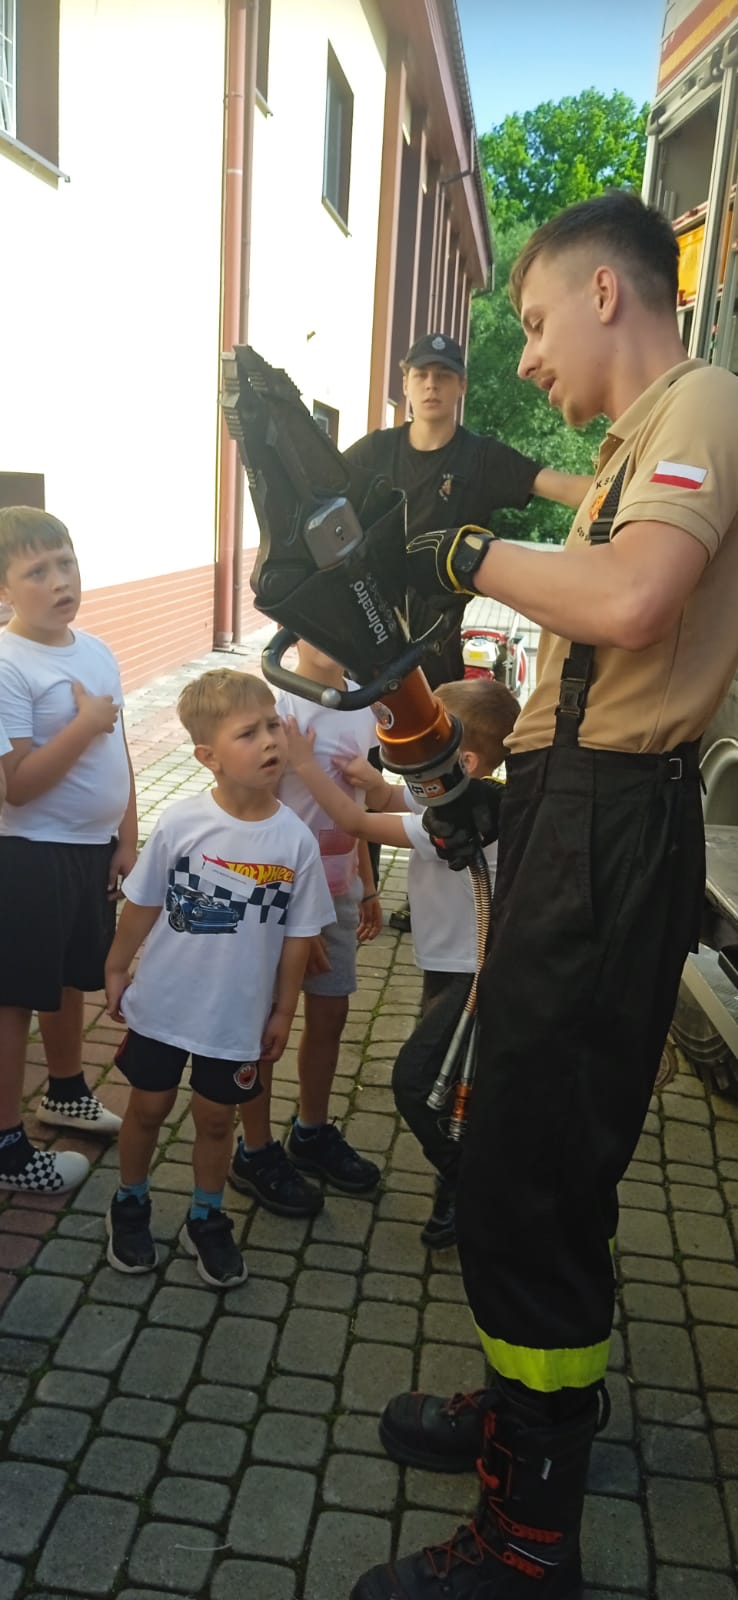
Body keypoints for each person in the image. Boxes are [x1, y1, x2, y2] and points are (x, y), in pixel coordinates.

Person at [349, 190, 738, 1600]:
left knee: (530, 1172)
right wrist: (492, 749)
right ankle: (529, 1412)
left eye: (529, 321)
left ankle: (529, 1540)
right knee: (530, 1149)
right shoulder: (638, 441)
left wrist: (454, 550)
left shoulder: (704, 406)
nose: (521, 358)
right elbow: (603, 644)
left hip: (614, 831)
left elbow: (632, 603)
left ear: (605, 293)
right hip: (580, 811)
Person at [344, 329, 591, 925]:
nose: (431, 385)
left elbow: (567, 488)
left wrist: (642, 494)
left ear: (460, 386)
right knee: (367, 764)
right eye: (421, 374)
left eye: (443, 375)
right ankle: (360, 892)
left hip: (437, 647)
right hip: (369, 640)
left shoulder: (480, 458)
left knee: (444, 775)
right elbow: (317, 502)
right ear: (405, 384)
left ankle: (439, 898)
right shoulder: (372, 453)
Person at [104, 669, 334, 1289]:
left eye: (272, 726)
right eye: (248, 733)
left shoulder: (295, 840)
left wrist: (284, 1010)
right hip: (164, 1006)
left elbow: (298, 937)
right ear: (208, 757)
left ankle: (206, 1217)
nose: (270, 741)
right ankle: (130, 1201)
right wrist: (117, 965)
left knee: (215, 1120)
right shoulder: (181, 823)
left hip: (237, 1017)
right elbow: (144, 902)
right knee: (147, 1108)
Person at [283, 675, 518, 1252]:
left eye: (424, 740)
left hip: (472, 974)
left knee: (417, 1081)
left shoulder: (461, 822)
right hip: (449, 965)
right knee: (457, 1083)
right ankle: (459, 1182)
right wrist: (376, 783)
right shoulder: (456, 795)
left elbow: (360, 824)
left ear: (463, 761)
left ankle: (476, 1183)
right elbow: (391, 802)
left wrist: (306, 765)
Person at [0, 508, 136, 1197]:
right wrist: (84, 726)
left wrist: (126, 835)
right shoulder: (6, 664)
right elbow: (18, 785)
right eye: (37, 571)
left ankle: (66, 1091)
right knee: (14, 998)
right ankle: (5, 1146)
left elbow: (120, 746)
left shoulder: (96, 649)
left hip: (89, 849)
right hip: (29, 854)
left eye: (66, 562)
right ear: (3, 590)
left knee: (64, 980)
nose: (60, 581)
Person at [229, 640, 383, 1215]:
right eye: (316, 627)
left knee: (330, 1015)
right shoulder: (281, 710)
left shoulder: (362, 703)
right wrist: (301, 919)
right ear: (290, 633)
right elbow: (256, 809)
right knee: (264, 1025)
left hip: (340, 893)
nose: (332, 635)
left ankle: (311, 1132)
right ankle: (255, 1149)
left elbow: (355, 802)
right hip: (282, 897)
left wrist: (368, 884)